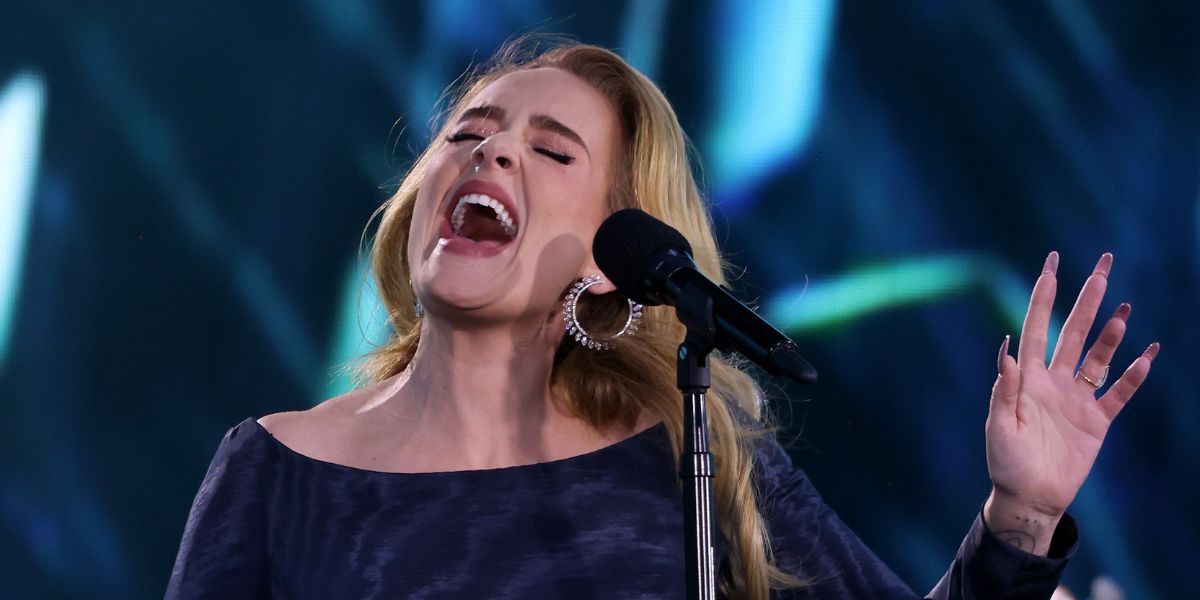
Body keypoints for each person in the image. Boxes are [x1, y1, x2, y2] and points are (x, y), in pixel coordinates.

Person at [166, 41, 1158, 599]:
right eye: (467, 133)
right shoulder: (270, 469)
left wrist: (1022, 516)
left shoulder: (693, 462)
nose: (490, 154)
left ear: (614, 258)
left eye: (552, 151)